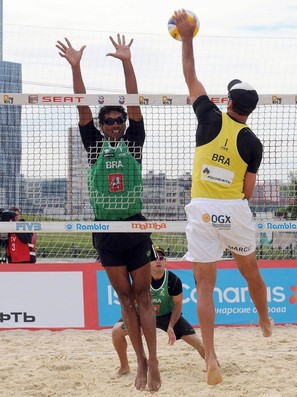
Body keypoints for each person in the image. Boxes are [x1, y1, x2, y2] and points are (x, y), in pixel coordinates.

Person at [172, 9, 273, 386]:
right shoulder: (253, 143)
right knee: (251, 273)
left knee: (205, 287)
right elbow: (248, 192)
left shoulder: (209, 119)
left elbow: (190, 76)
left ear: (228, 102)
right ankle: (263, 318)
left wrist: (187, 37)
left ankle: (211, 357)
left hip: (201, 210)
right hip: (234, 209)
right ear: (249, 109)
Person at [56, 35, 161, 392]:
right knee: (126, 299)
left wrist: (127, 62)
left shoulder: (134, 140)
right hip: (105, 230)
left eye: (119, 119)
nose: (116, 123)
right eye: (110, 120)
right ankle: (141, 362)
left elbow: (134, 104)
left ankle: (155, 362)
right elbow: (82, 106)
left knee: (144, 297)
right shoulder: (93, 144)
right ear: (102, 125)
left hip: (134, 225)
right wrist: (76, 66)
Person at [112, 246, 205, 376]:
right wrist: (138, 324)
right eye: (154, 258)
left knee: (196, 341)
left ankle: (213, 363)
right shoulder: (140, 278)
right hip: (142, 314)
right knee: (116, 332)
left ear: (165, 261)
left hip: (166, 315)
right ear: (148, 262)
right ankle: (124, 366)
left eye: (161, 258)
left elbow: (178, 305)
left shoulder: (173, 280)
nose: (158, 261)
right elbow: (130, 304)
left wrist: (171, 326)